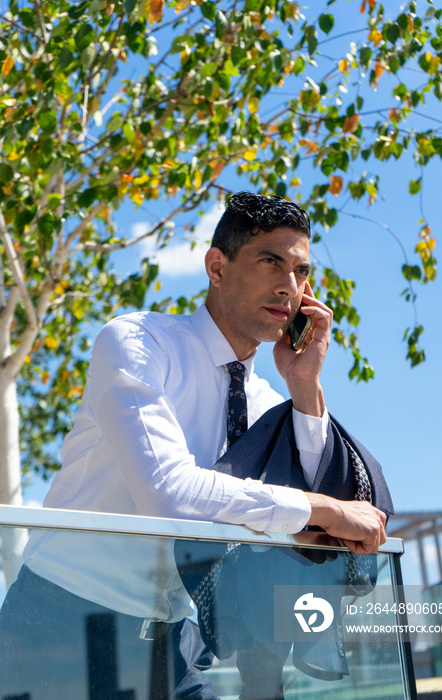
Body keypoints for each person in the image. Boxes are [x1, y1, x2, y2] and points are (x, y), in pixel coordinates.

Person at [0, 191, 389, 699]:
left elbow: (308, 498)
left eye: (300, 271)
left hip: (172, 644)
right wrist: (324, 509)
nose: (288, 286)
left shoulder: (270, 399)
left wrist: (306, 389)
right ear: (216, 267)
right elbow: (167, 493)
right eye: (271, 261)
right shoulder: (139, 343)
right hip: (60, 627)